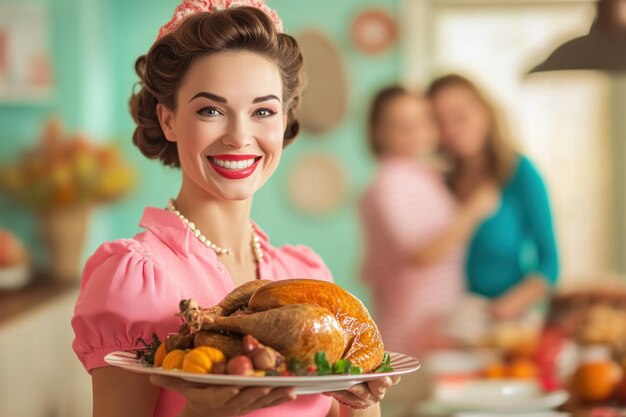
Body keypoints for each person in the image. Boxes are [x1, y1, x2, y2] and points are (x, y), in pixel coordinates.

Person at [71, 3, 397, 417]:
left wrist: (364, 398)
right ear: (168, 120)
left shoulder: (308, 276)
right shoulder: (136, 279)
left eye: (263, 111)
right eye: (211, 110)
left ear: (283, 121)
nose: (240, 136)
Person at [359, 86, 498, 358]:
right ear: (379, 133)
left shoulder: (422, 175)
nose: (415, 130)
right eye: (401, 125)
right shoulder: (391, 181)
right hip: (409, 330)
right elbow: (420, 254)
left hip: (434, 324)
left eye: (422, 119)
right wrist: (472, 212)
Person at [427, 74, 559, 322]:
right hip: (448, 322)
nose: (452, 130)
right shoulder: (437, 183)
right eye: (439, 122)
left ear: (485, 111)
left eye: (460, 116)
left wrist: (507, 306)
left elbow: (549, 263)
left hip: (508, 321)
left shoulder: (520, 173)